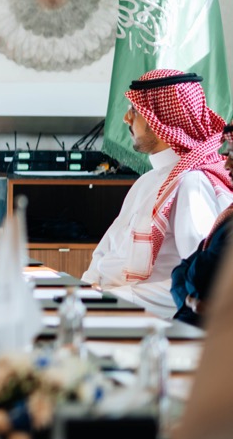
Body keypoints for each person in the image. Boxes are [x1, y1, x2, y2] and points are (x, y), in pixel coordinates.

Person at [83, 69, 233, 318]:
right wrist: (85, 290)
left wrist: (110, 299)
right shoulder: (146, 181)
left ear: (159, 119)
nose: (126, 119)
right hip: (105, 307)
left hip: (145, 320)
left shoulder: (191, 182)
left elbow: (196, 285)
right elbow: (105, 251)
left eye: (134, 110)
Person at [170, 124, 233, 326]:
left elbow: (200, 277)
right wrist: (190, 301)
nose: (227, 165)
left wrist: (194, 297)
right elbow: (181, 272)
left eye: (232, 155)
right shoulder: (228, 217)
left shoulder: (193, 181)